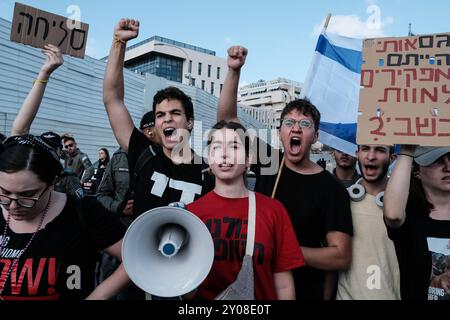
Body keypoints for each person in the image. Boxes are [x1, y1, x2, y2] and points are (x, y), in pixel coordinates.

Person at [217, 45, 353, 300]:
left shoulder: (331, 188)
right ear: (280, 131)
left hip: (303, 292)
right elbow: (227, 121)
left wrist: (286, 250)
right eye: (289, 123)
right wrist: (234, 70)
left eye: (305, 124)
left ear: (316, 136)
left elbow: (340, 255)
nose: (296, 129)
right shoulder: (269, 161)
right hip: (256, 291)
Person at [103, 18, 213, 220]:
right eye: (160, 115)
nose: (167, 119)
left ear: (190, 122)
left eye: (175, 113)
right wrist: (119, 43)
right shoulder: (144, 153)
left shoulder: (207, 172)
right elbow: (112, 99)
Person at [0, 135, 129, 300]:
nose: (13, 206)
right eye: (4, 193)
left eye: (27, 195)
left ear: (52, 182)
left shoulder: (83, 212)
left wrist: (97, 297)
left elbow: (134, 258)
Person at [187, 121, 304, 300]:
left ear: (248, 159)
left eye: (234, 146)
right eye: (216, 147)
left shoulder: (273, 211)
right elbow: (187, 289)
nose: (224, 154)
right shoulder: (191, 214)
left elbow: (284, 284)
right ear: (209, 159)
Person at [384, 146, 450, 300]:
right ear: (416, 171)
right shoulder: (409, 214)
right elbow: (393, 215)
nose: (448, 167)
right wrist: (407, 151)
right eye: (437, 160)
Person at [336, 145, 400, 300]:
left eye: (379, 150)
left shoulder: (406, 204)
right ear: (357, 154)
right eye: (365, 149)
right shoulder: (340, 200)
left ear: (392, 158)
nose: (371, 156)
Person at [40, 131, 84, 199]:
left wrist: (82, 180)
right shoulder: (32, 175)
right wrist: (60, 138)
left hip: (71, 183)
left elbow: (90, 169)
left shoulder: (81, 156)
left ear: (75, 144)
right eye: (66, 146)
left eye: (71, 145)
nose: (69, 147)